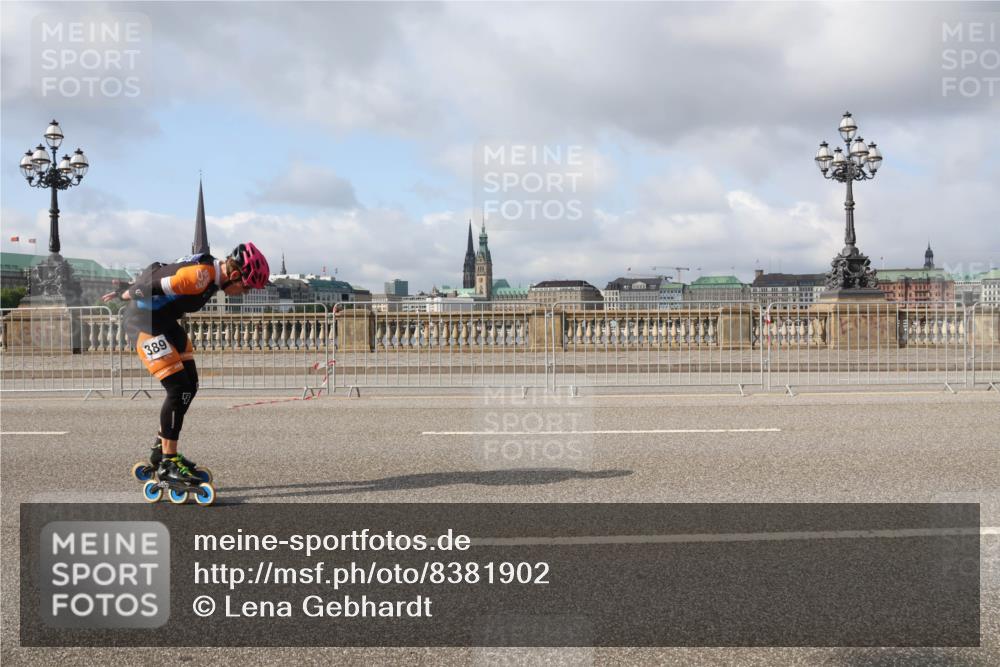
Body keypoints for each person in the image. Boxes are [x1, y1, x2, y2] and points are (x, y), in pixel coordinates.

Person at [103, 243, 270, 491]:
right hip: (144, 324)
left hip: (165, 323)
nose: (243, 293)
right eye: (246, 288)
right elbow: (155, 283)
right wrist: (126, 294)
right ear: (235, 275)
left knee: (190, 385)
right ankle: (168, 462)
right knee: (177, 388)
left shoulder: (210, 275)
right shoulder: (198, 277)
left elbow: (158, 266)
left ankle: (161, 450)